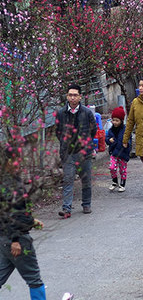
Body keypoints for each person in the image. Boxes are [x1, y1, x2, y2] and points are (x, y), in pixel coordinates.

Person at [0, 174, 46, 299]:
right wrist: (15, 239)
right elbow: (11, 214)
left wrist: (31, 221)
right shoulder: (11, 184)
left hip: (3, 238)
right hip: (17, 239)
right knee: (34, 279)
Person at [55, 83, 97, 218]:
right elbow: (58, 132)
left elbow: (93, 131)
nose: (72, 98)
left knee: (86, 179)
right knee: (68, 179)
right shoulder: (61, 113)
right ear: (67, 97)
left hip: (84, 152)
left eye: (75, 95)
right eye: (70, 95)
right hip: (68, 153)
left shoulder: (87, 113)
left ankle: (86, 203)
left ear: (80, 97)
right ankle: (66, 208)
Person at [105, 106, 130, 192]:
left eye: (117, 120)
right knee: (112, 167)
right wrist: (109, 140)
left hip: (122, 153)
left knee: (123, 170)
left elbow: (128, 139)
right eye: (113, 120)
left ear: (121, 121)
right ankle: (114, 181)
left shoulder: (125, 130)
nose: (114, 122)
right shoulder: (111, 130)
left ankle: (122, 184)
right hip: (114, 153)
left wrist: (127, 144)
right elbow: (107, 138)